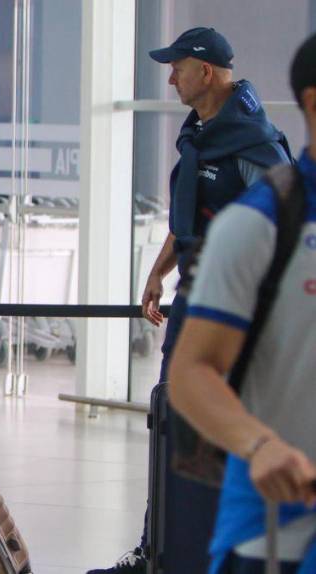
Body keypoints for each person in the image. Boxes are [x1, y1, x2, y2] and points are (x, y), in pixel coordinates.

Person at [93, 27, 292, 574]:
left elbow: (284, 230)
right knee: (173, 426)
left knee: (213, 437)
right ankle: (159, 549)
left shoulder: (254, 145)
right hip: (194, 300)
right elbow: (191, 218)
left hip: (233, 316)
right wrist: (160, 271)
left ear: (205, 71)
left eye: (177, 68)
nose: (170, 79)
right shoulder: (200, 136)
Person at [168, 33, 316, 574]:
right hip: (277, 531)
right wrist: (259, 446)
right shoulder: (260, 223)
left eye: (179, 67)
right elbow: (191, 373)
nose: (171, 79)